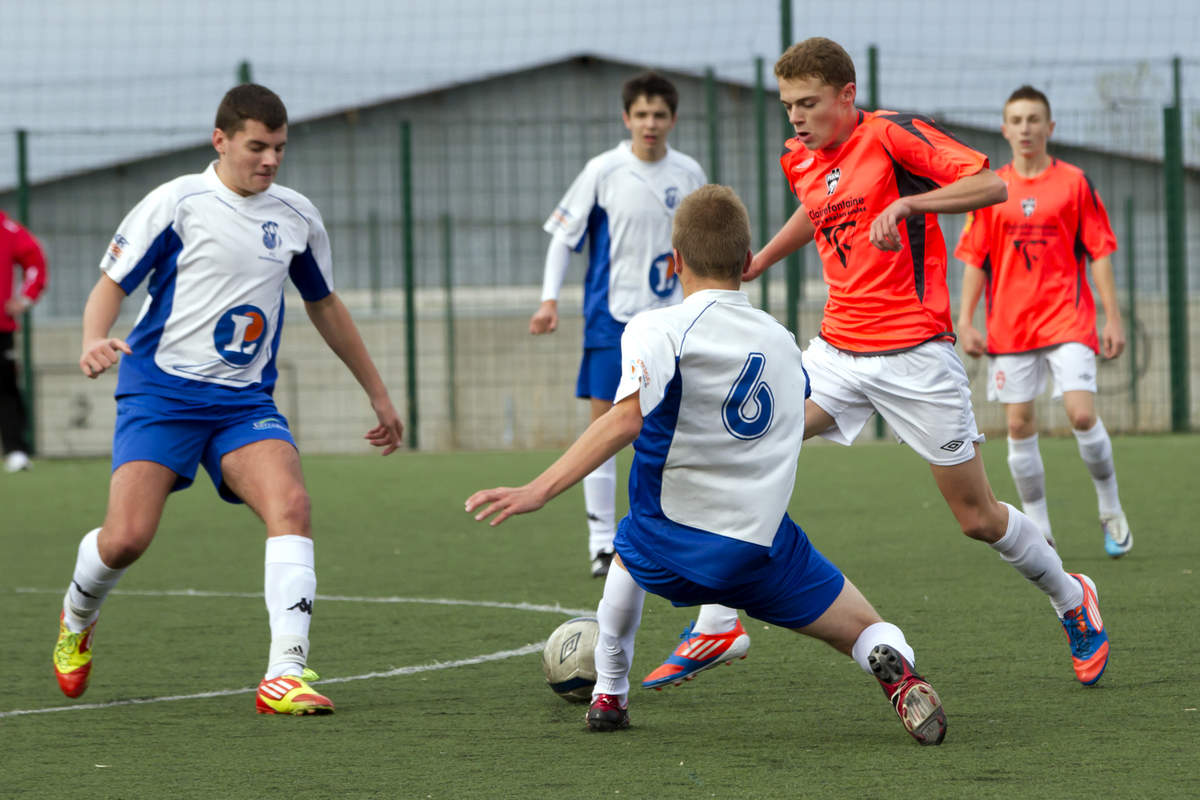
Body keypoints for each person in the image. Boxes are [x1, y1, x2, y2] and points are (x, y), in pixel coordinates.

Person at [646, 38, 1108, 690]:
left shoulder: (892, 135)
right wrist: (763, 257)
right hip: (837, 352)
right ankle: (719, 621)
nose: (797, 117)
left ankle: (1072, 597)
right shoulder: (798, 155)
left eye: (808, 103)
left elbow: (991, 183)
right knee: (751, 445)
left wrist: (911, 202)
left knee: (977, 518)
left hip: (916, 354)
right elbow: (818, 203)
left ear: (846, 95)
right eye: (787, 106)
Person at [469, 184, 948, 745]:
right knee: (863, 626)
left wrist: (539, 489)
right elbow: (791, 421)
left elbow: (625, 421)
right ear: (747, 262)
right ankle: (893, 670)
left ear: (675, 262)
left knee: (627, 551)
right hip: (760, 549)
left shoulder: (658, 327)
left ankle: (609, 694)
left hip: (669, 541)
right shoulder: (781, 339)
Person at [51, 83, 404, 715]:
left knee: (291, 504)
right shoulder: (177, 203)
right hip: (161, 394)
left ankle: (283, 674)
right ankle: (78, 616)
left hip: (243, 402)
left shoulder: (296, 217)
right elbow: (111, 284)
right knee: (126, 539)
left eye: (280, 149)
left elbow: (324, 304)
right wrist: (92, 339)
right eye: (256, 147)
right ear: (221, 141)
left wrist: (378, 393)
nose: (270, 160)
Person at [531, 71, 708, 579]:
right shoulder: (604, 170)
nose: (650, 124)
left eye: (659, 115)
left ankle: (672, 533)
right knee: (605, 427)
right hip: (612, 322)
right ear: (626, 118)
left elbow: (705, 240)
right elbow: (563, 238)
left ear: (673, 120)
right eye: (641, 114)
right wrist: (549, 300)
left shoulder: (689, 173)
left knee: (673, 430)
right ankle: (600, 543)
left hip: (675, 324)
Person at [955, 85, 1131, 558]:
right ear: (1004, 129)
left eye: (1034, 119)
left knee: (1081, 412)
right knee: (1018, 423)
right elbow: (975, 258)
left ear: (1050, 128)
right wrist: (965, 319)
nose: (1026, 128)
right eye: (1017, 120)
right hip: (1010, 327)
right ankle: (1040, 531)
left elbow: (1099, 252)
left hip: (1068, 318)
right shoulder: (990, 187)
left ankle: (1111, 509)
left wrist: (1113, 318)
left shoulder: (1074, 182)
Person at [0, 209, 47, 473]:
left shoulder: (6, 229)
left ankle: (16, 451)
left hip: (0, 328)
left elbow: (35, 261)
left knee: (6, 389)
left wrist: (25, 297)